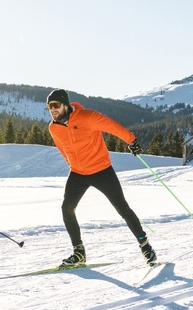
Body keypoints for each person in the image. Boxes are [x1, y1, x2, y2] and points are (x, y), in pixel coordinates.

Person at [45, 88, 157, 268]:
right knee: (67, 208)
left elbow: (112, 126)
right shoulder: (53, 128)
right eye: (50, 107)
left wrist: (131, 140)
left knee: (122, 207)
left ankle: (145, 245)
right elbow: (62, 148)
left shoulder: (87, 117)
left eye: (56, 105)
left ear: (65, 105)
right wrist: (72, 165)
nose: (53, 110)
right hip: (78, 174)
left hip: (101, 170)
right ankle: (79, 252)